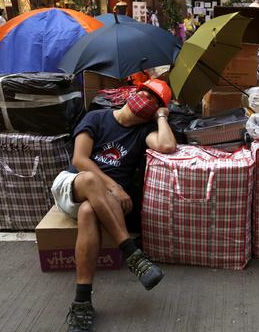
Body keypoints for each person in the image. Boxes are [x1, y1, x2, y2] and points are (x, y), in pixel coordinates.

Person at [53, 80, 176, 332]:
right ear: (132, 93)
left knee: (89, 211)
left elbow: (166, 146)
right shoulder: (97, 117)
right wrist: (114, 186)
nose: (148, 101)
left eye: (155, 102)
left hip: (103, 204)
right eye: (146, 94)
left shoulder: (144, 131)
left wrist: (162, 117)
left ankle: (82, 302)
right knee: (89, 180)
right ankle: (132, 253)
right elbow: (79, 159)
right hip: (73, 186)